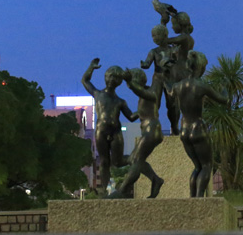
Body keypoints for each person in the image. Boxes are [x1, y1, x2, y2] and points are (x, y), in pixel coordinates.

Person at [172, 50, 227, 197]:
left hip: (184, 128)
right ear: (200, 67)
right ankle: (199, 198)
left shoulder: (177, 86)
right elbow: (223, 100)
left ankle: (192, 197)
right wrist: (224, 87)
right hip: (197, 128)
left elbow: (170, 95)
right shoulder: (201, 86)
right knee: (207, 166)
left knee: (197, 166)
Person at [81, 58, 137, 194]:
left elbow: (131, 117)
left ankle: (136, 161)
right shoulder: (98, 94)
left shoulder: (120, 101)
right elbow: (85, 81)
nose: (112, 80)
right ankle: (104, 190)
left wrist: (144, 108)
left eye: (116, 78)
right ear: (106, 77)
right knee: (104, 161)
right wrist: (91, 67)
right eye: (110, 76)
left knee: (117, 162)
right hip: (101, 130)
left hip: (116, 131)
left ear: (119, 82)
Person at [112, 68, 164, 198]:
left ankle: (122, 190)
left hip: (152, 130)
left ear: (137, 80)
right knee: (133, 159)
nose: (129, 86)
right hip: (148, 131)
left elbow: (141, 92)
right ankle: (155, 179)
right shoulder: (143, 95)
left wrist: (131, 84)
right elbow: (134, 115)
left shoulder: (149, 92)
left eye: (131, 81)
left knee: (135, 159)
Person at [162, 12, 195, 135]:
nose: (172, 27)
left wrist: (163, 23)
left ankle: (176, 128)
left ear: (180, 24)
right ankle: (174, 127)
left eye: (173, 24)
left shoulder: (184, 38)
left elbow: (164, 41)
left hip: (179, 73)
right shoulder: (185, 38)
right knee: (173, 105)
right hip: (180, 71)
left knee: (175, 103)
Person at [140, 24, 173, 109]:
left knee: (171, 102)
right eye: (153, 36)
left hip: (170, 77)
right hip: (157, 78)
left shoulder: (172, 50)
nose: (154, 38)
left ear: (165, 35)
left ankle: (174, 122)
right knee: (155, 100)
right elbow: (147, 63)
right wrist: (144, 64)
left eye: (156, 35)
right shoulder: (154, 51)